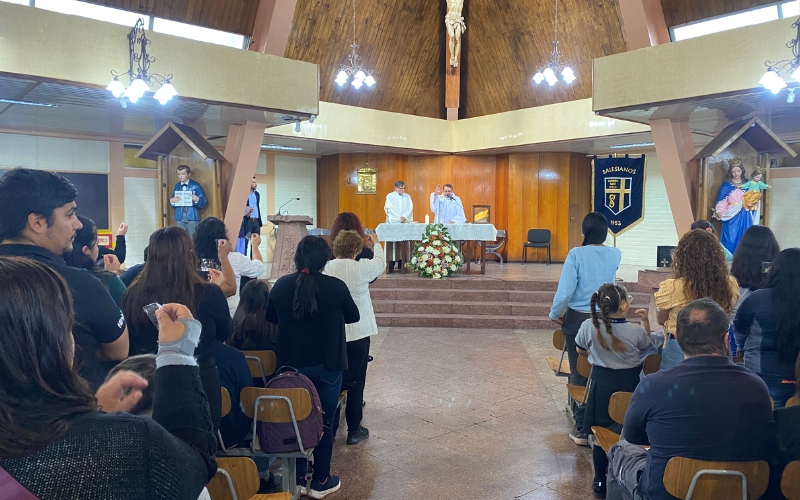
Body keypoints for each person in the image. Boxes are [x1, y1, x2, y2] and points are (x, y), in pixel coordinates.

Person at [0, 256, 216, 500]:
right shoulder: (131, 447)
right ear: (52, 340)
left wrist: (94, 412)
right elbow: (192, 466)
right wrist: (177, 352)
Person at [608, 298, 773, 500]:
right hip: (740, 489)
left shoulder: (654, 385)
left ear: (677, 337)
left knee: (620, 449)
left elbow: (634, 436)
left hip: (667, 491)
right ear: (725, 338)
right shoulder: (757, 386)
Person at [0, 168, 128, 389]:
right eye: (69, 214)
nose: (78, 224)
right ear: (37, 222)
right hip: (69, 414)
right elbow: (118, 350)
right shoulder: (78, 284)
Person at [266, 235, 360, 498]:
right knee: (324, 423)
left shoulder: (282, 286)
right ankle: (320, 480)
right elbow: (354, 316)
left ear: (297, 258)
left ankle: (295, 478)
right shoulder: (335, 287)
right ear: (325, 259)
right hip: (327, 365)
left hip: (289, 367)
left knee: (293, 419)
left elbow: (271, 317)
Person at [121, 227, 233, 433]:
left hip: (146, 380)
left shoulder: (132, 294)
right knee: (199, 450)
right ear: (190, 255)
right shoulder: (208, 293)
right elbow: (225, 333)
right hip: (199, 380)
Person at [549, 212, 622, 446]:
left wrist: (554, 313)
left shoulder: (576, 254)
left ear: (585, 231)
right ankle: (602, 422)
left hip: (579, 318)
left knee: (579, 371)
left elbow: (566, 290)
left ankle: (581, 428)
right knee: (603, 372)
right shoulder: (615, 253)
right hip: (607, 318)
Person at [574, 283, 652, 499]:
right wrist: (645, 321)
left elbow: (580, 349)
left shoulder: (589, 326)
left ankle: (600, 480)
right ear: (625, 305)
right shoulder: (635, 330)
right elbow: (647, 346)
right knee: (628, 431)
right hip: (629, 383)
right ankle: (626, 476)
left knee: (600, 434)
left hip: (601, 383)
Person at [323, 230, 386, 445]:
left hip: (333, 332)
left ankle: (328, 429)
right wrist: (376, 243)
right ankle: (354, 429)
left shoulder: (327, 267)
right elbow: (380, 263)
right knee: (356, 382)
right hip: (358, 331)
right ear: (357, 250)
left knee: (334, 379)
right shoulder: (361, 268)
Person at [654, 229, 739, 371]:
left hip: (681, 347)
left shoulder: (673, 287)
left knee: (675, 389)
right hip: (717, 345)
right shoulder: (730, 284)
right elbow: (727, 313)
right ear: (718, 257)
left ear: (682, 257)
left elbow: (661, 320)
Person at [734, 248, 800, 408]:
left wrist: (741, 349)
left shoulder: (757, 299)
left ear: (775, 270)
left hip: (761, 380)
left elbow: (739, 331)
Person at [194, 217, 264, 316]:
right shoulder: (234, 258)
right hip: (230, 314)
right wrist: (255, 246)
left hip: (200, 314)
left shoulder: (193, 260)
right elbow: (258, 268)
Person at [63, 215, 127, 305]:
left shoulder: (51, 275)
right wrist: (112, 274)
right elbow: (130, 311)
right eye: (97, 244)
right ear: (86, 250)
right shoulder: (105, 280)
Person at [713, 158, 753, 254]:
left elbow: (753, 197)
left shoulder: (748, 184)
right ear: (730, 172)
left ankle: (743, 257)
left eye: (738, 171)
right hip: (730, 214)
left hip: (744, 213)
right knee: (729, 238)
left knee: (744, 236)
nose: (736, 174)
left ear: (742, 171)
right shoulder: (726, 185)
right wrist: (719, 211)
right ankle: (730, 257)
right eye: (733, 171)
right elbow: (722, 201)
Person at [229, 279, 278, 352]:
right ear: (267, 296)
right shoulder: (273, 321)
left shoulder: (236, 320)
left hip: (240, 361)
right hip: (270, 362)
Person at [169, 164, 207, 237]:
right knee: (180, 237)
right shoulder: (177, 186)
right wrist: (172, 201)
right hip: (179, 216)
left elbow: (203, 201)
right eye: (179, 174)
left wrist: (197, 199)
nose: (181, 176)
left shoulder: (195, 185)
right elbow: (173, 199)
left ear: (188, 174)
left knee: (193, 236)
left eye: (183, 174)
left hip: (192, 215)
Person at [384, 180, 413, 272]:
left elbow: (410, 207)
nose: (402, 190)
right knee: (392, 243)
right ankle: (391, 264)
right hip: (393, 222)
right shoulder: (390, 196)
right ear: (395, 188)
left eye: (404, 188)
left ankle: (402, 263)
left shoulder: (407, 196)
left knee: (403, 243)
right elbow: (388, 209)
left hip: (403, 222)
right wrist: (398, 217)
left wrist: (405, 217)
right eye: (401, 188)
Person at [239, 177, 263, 256]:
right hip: (249, 222)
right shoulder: (245, 195)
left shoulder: (257, 194)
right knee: (246, 240)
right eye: (253, 182)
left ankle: (254, 260)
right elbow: (242, 209)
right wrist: (247, 213)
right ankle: (245, 259)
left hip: (256, 221)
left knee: (255, 242)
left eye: (255, 182)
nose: (255, 184)